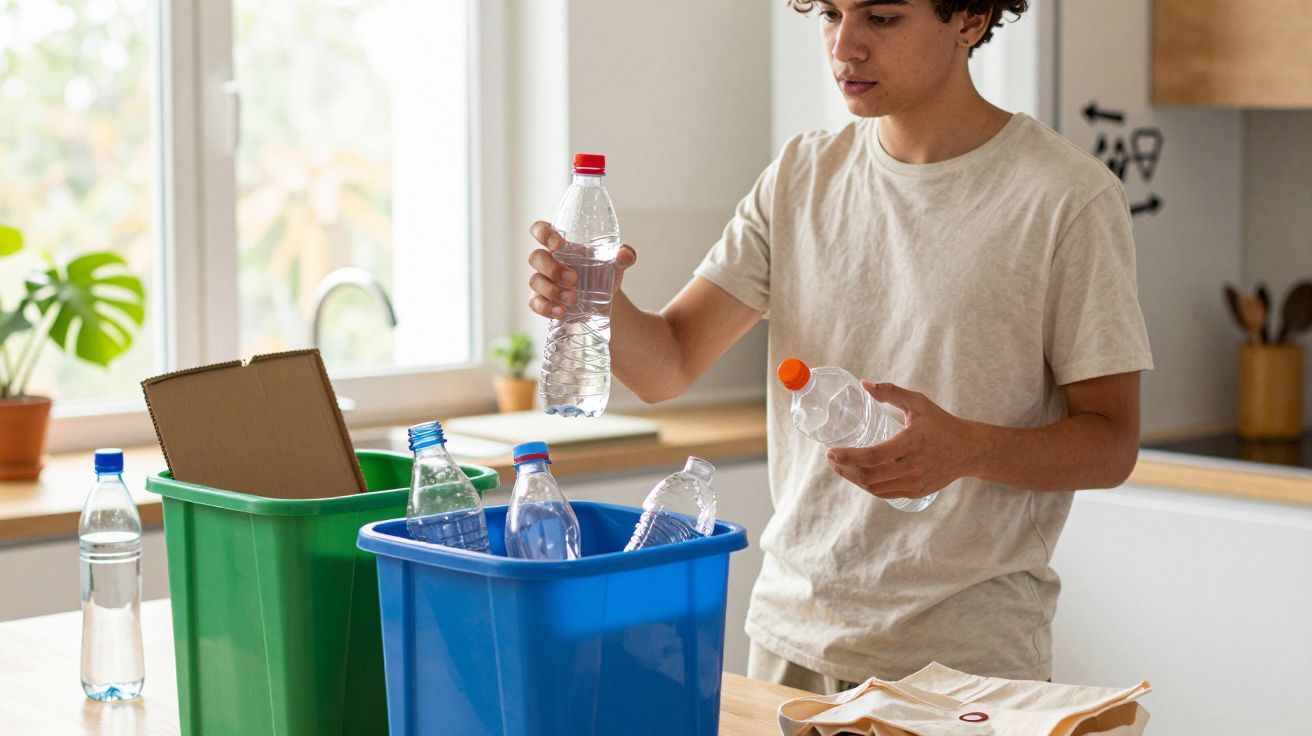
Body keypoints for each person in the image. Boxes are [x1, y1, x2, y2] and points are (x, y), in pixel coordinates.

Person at [525, 0, 1152, 693]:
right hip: (790, 638)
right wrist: (597, 300)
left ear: (969, 20)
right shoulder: (800, 175)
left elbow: (1110, 442)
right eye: (829, 12)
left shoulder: (1066, 197)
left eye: (880, 18)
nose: (844, 46)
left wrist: (966, 448)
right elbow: (668, 364)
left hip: (964, 664)